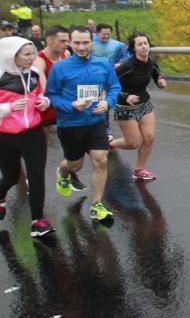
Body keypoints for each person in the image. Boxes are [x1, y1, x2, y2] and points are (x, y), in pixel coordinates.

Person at [45, 24, 121, 221]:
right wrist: (71, 105)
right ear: (69, 43)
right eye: (77, 43)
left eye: (86, 42)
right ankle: (63, 171)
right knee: (75, 165)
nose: (81, 47)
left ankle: (96, 205)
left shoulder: (103, 64)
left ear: (92, 42)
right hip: (70, 124)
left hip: (96, 121)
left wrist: (107, 102)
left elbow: (114, 86)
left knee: (100, 159)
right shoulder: (59, 68)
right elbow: (50, 96)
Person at [0, 37, 53, 237]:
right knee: (11, 177)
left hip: (33, 132)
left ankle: (37, 221)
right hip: (5, 135)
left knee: (36, 175)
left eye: (33, 53)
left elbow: (39, 96)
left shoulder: (35, 73)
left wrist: (43, 102)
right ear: (11, 55)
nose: (32, 58)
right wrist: (8, 108)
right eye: (27, 54)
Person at [110, 32, 167, 181]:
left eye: (145, 43)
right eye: (140, 44)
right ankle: (110, 143)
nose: (144, 47)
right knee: (132, 143)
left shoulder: (152, 63)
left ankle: (139, 169)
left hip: (144, 103)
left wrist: (160, 82)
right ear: (134, 48)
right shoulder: (126, 66)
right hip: (125, 107)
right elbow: (109, 84)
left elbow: (156, 76)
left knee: (149, 137)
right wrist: (125, 96)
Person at [33, 25, 71, 132]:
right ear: (49, 40)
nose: (67, 44)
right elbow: (43, 87)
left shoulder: (66, 54)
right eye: (62, 41)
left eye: (68, 41)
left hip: (63, 101)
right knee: (43, 137)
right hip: (47, 102)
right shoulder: (39, 60)